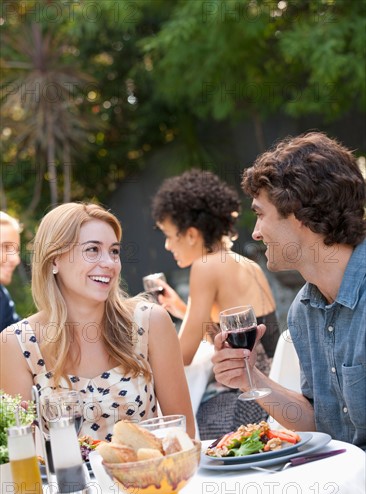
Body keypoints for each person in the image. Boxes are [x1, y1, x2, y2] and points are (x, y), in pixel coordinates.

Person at [212, 131, 366, 449]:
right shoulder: (304, 310)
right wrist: (251, 378)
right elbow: (318, 422)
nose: (255, 233)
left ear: (297, 214)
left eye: (259, 214)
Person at [0, 202, 195, 440]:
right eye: (92, 249)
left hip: (149, 476)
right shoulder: (17, 344)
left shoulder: (151, 322)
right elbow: (22, 454)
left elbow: (184, 435)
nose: (109, 263)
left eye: (114, 251)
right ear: (54, 261)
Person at [151, 169, 280, 439]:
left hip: (246, 407)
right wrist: (181, 310)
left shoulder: (205, 267)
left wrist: (146, 335)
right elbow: (230, 334)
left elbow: (181, 355)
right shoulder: (241, 262)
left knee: (170, 426)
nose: (166, 245)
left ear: (191, 234)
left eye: (169, 234)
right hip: (273, 394)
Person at [0, 211, 21, 332]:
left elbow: (20, 336)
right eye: (6, 247)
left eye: (16, 250)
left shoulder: (2, 297)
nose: (15, 259)